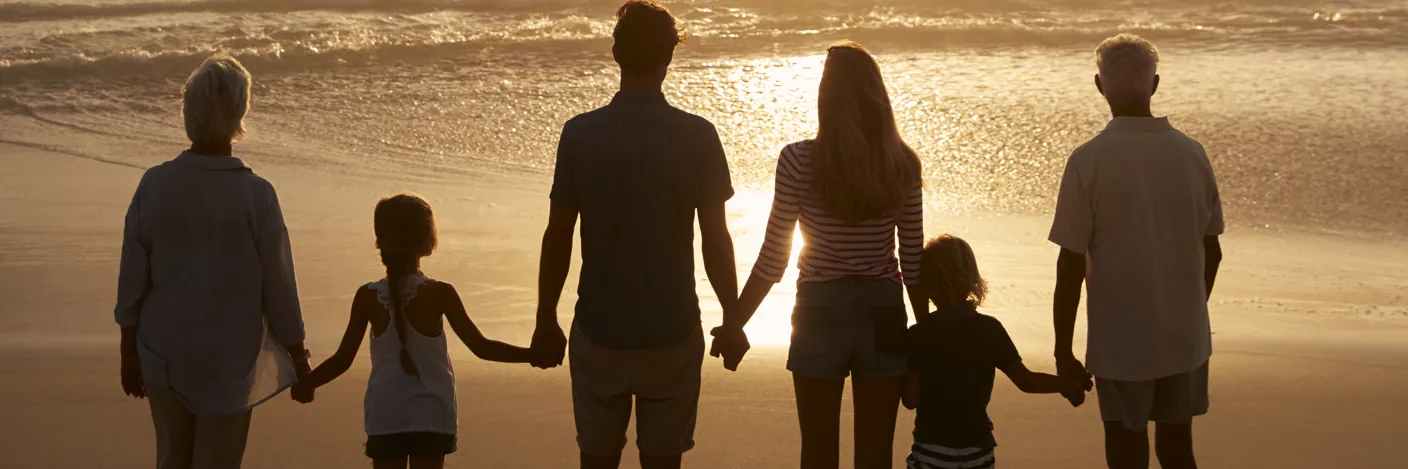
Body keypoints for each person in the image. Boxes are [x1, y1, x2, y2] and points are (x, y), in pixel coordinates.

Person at [527, 2, 739, 469]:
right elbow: (715, 238)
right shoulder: (698, 135)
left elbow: (558, 235)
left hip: (600, 329)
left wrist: (546, 319)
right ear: (669, 57)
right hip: (672, 329)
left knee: (596, 459)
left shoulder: (579, 134)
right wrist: (733, 317)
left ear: (616, 54)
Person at [712, 41, 927, 469]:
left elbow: (775, 257)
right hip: (883, 311)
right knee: (875, 456)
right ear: (877, 96)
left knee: (818, 453)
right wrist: (924, 338)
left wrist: (734, 323)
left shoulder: (798, 159)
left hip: (818, 309)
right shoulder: (901, 163)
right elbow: (914, 260)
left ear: (823, 97)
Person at [114, 54, 310, 469]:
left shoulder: (155, 184)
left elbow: (132, 276)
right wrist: (298, 353)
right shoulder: (256, 195)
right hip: (229, 357)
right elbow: (279, 284)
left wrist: (128, 351)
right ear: (240, 113)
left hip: (161, 349)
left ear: (189, 111)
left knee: (172, 456)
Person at [1048, 34, 1225, 469]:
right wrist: (1184, 309)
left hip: (1120, 340)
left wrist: (1063, 352)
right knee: (1178, 447)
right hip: (1183, 336)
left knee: (1127, 450)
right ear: (1156, 84)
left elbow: (1070, 264)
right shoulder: (1191, 153)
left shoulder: (1087, 160)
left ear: (1099, 86)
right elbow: (1212, 250)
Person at [291, 194, 534, 469]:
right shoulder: (441, 293)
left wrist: (308, 383)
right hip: (431, 415)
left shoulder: (367, 296)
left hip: (385, 415)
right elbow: (482, 347)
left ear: (380, 241)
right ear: (427, 240)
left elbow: (342, 359)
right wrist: (533, 355)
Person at [902, 235, 1088, 469]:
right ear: (971, 279)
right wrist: (1066, 384)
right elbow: (1026, 381)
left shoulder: (919, 335)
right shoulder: (989, 329)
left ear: (926, 287)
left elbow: (911, 400)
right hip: (977, 451)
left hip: (932, 450)